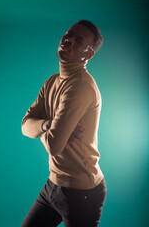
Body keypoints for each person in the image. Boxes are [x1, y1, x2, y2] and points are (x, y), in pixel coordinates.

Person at [21, 20, 107, 227]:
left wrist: (42, 128)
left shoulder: (80, 87)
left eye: (78, 41)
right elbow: (25, 126)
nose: (68, 40)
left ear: (88, 55)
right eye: (69, 34)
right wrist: (48, 125)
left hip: (81, 193)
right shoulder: (52, 82)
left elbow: (54, 146)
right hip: (53, 185)